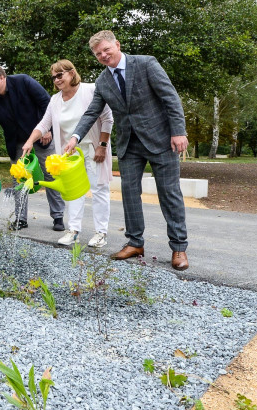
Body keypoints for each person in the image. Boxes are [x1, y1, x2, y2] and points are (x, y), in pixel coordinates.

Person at [63, 30, 189, 270]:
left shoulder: (146, 63)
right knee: (130, 194)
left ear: (117, 45)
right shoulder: (102, 81)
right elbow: (92, 112)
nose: (103, 55)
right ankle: (135, 242)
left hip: (161, 140)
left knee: (169, 194)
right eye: (98, 53)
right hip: (129, 144)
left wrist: (178, 131)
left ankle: (179, 247)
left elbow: (170, 97)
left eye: (106, 50)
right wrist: (75, 137)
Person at [22, 59, 113, 247]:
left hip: (93, 148)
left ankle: (101, 233)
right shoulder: (55, 100)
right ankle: (73, 231)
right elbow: (44, 124)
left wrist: (102, 145)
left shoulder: (90, 90)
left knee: (99, 190)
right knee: (73, 193)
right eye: (53, 77)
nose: (56, 80)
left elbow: (107, 118)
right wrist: (30, 141)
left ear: (72, 73)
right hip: (69, 154)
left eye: (60, 75)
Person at [0, 64, 65, 231]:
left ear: (2, 77)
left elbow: (47, 103)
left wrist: (47, 129)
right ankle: (21, 218)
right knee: (19, 178)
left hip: (41, 136)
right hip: (17, 142)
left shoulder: (23, 81)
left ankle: (58, 216)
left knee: (50, 175)